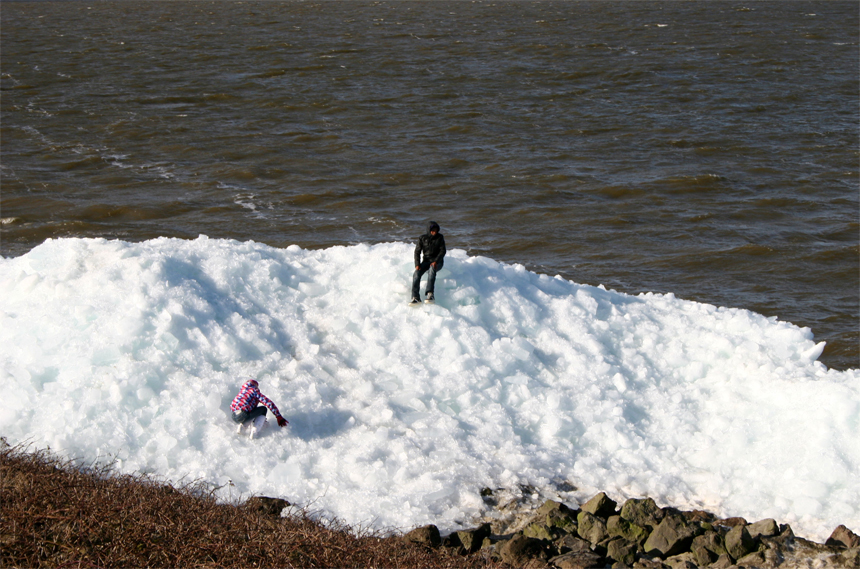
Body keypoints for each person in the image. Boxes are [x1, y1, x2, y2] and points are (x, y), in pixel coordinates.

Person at [411, 221, 446, 304]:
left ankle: (430, 294)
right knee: (416, 273)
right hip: (426, 261)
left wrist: (436, 261)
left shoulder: (440, 237)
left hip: (438, 262)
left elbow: (442, 251)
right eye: (432, 230)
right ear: (428, 230)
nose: (434, 232)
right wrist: (417, 264)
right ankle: (415, 297)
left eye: (436, 230)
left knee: (431, 270)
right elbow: (417, 252)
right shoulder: (422, 238)